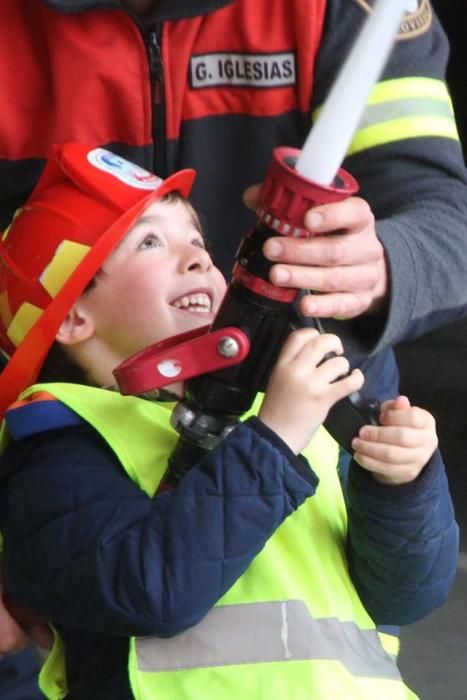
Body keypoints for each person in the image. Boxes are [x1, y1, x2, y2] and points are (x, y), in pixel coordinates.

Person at [1, 0, 466, 672]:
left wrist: (401, 484)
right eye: (152, 242)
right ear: (72, 316)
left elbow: (405, 589)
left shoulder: (306, 412)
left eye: (197, 239)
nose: (200, 256)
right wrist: (274, 437)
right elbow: (150, 589)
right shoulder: (63, 445)